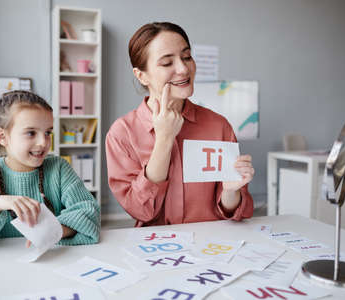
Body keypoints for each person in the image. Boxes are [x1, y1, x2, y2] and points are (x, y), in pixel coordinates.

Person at [106, 22, 254, 227]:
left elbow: (233, 210)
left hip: (213, 246)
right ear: (141, 75)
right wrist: (164, 140)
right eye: (167, 63)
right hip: (156, 250)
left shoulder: (219, 126)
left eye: (187, 57)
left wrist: (231, 191)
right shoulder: (122, 134)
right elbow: (140, 211)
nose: (183, 69)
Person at [0, 90, 100, 247]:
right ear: (2, 136)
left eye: (47, 133)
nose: (43, 142)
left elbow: (89, 211)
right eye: (31, 133)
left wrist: (54, 231)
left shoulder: (59, 168)